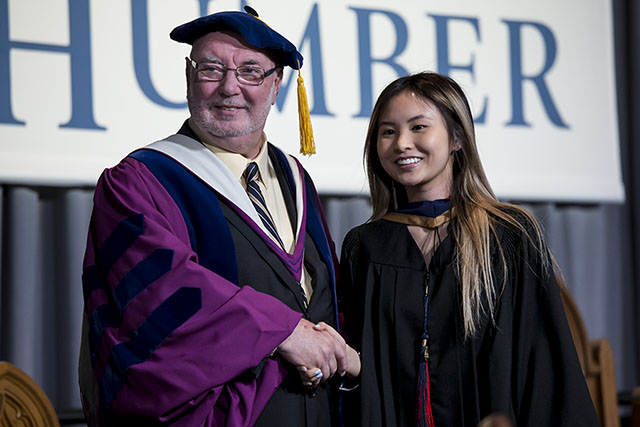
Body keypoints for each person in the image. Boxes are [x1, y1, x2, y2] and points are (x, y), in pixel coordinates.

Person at [78, 7, 354, 426]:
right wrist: (284, 332)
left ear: (276, 85)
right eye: (211, 68)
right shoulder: (140, 181)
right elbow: (162, 300)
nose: (229, 87)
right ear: (188, 76)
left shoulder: (296, 179)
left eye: (250, 71)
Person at [338, 72, 600, 426]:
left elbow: (545, 366)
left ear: (457, 137)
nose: (401, 143)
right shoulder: (366, 247)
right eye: (388, 131)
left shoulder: (507, 236)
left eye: (418, 127)